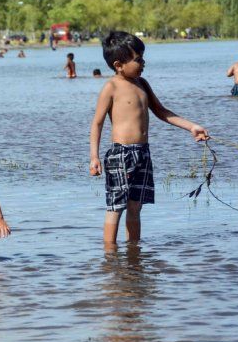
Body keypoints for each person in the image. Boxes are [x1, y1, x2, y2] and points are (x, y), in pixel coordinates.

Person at [89, 31, 209, 251]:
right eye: (138, 59)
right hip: (121, 154)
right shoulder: (111, 87)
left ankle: (134, 251)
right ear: (118, 65)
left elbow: (162, 112)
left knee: (136, 206)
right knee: (116, 206)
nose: (143, 63)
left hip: (143, 153)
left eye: (143, 58)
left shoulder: (142, 83)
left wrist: (192, 126)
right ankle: (110, 253)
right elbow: (97, 123)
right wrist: (94, 157)